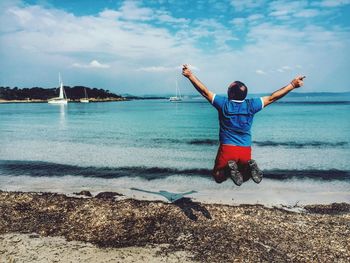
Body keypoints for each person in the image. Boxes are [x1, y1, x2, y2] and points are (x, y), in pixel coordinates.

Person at [182, 64, 305, 186]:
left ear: (232, 93)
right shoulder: (252, 105)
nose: (227, 89)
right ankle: (249, 167)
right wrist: (292, 85)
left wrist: (190, 76)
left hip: (228, 148)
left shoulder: (223, 104)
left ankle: (229, 170)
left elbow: (204, 92)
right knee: (244, 177)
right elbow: (273, 97)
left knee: (218, 176)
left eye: (229, 88)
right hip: (245, 149)